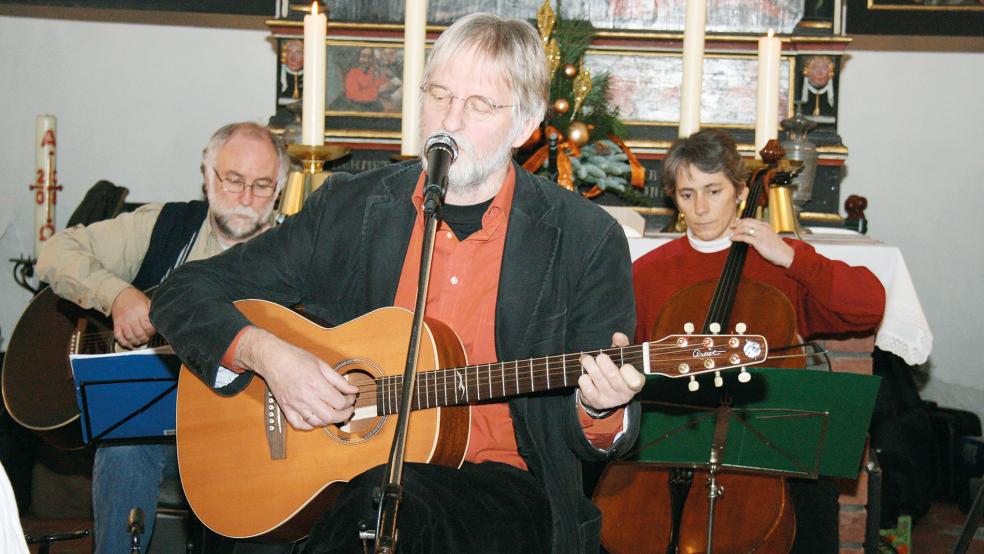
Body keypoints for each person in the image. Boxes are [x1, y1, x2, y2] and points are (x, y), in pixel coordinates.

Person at [151, 13, 644, 554]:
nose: (449, 119)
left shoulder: (584, 239)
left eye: (478, 104)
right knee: (295, 514)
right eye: (439, 94)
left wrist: (601, 407)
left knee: (388, 506)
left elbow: (593, 437)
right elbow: (183, 292)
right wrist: (267, 355)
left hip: (505, 491)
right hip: (335, 475)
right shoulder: (350, 208)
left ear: (524, 125)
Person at [35, 121, 290, 554]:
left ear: (279, 191)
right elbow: (56, 253)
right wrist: (117, 295)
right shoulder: (165, 224)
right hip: (158, 430)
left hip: (243, 434)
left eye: (262, 186)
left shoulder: (292, 248)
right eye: (233, 180)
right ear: (207, 178)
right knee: (126, 445)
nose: (246, 198)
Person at [632, 128, 886, 553]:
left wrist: (789, 255)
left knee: (815, 498)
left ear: (741, 191)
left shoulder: (777, 262)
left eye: (714, 191)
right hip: (678, 441)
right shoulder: (649, 272)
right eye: (687, 194)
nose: (701, 207)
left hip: (764, 442)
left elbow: (868, 306)